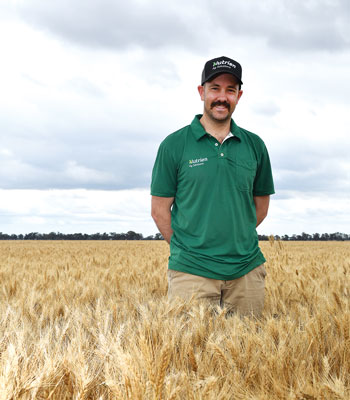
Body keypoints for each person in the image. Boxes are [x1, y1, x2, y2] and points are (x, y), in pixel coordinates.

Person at [150, 56, 275, 317]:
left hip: (246, 270)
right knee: (187, 352)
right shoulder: (174, 145)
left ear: (239, 96)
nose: (222, 97)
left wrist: (234, 238)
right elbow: (159, 210)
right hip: (191, 272)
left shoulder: (255, 146)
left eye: (230, 90)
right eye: (215, 88)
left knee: (247, 352)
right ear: (201, 92)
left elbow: (260, 207)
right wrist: (189, 249)